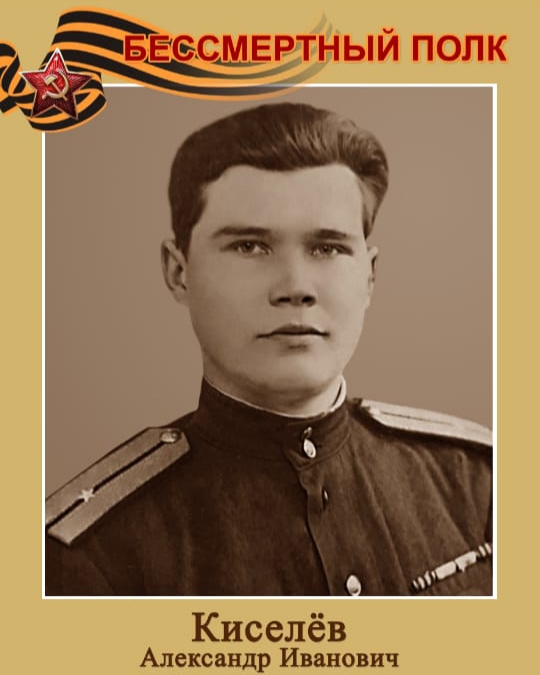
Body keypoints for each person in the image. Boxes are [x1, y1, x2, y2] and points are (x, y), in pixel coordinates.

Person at [45, 102, 492, 596]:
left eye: (327, 248)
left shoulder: (476, 485)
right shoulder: (91, 555)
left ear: (369, 276)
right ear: (178, 272)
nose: (295, 287)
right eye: (250, 247)